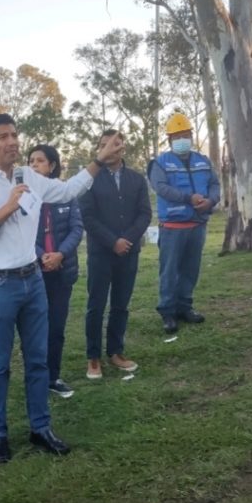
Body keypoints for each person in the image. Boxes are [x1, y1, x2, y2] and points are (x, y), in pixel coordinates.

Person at [0, 113, 121, 464]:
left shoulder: (29, 175)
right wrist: (6, 208)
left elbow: (67, 190)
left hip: (32, 280)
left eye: (15, 135)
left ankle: (40, 427)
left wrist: (97, 161)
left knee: (38, 360)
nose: (12, 142)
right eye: (3, 137)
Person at [78, 130, 151, 379]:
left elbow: (144, 214)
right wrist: (113, 241)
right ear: (99, 149)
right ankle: (94, 357)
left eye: (115, 144)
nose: (110, 148)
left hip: (128, 253)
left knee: (121, 305)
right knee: (96, 305)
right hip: (101, 252)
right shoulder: (90, 180)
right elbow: (87, 216)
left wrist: (127, 240)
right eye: (103, 144)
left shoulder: (137, 179)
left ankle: (116, 352)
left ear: (123, 148)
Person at [148, 112, 221, 335]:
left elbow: (214, 184)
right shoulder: (160, 163)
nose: (183, 138)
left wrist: (210, 201)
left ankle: (185, 307)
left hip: (197, 225)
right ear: (170, 139)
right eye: (178, 135)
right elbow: (161, 188)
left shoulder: (203, 161)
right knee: (169, 271)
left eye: (186, 134)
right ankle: (168, 312)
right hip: (172, 227)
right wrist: (188, 198)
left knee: (191, 269)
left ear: (191, 135)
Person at [27, 144, 84, 399]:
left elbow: (77, 228)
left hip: (62, 270)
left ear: (52, 166)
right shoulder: (26, 196)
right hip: (35, 272)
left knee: (57, 326)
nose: (34, 165)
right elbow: (23, 233)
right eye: (31, 161)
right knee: (36, 327)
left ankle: (53, 376)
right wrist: (43, 256)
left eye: (40, 161)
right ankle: (36, 377)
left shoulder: (66, 194)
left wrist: (60, 254)